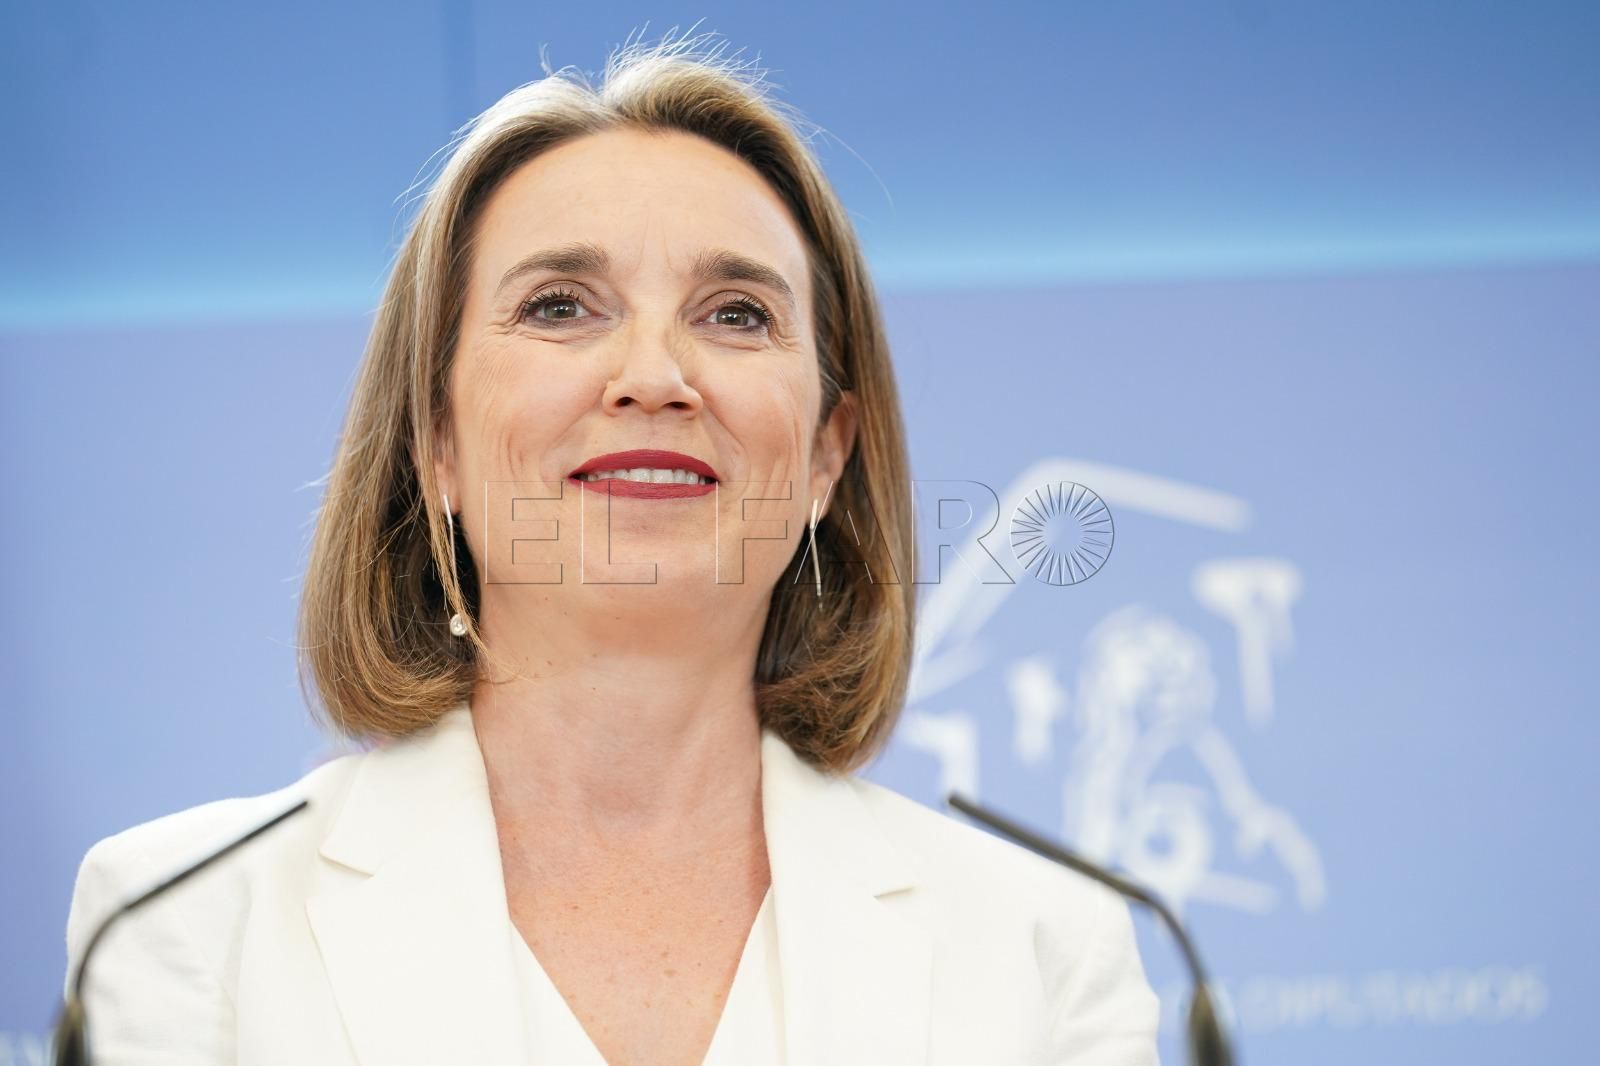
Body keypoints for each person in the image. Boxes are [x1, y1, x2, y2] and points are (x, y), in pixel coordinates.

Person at [62, 31, 1161, 1066]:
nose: (653, 376)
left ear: (827, 456)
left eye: (735, 313)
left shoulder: (1042, 948)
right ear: (435, 438)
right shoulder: (183, 921)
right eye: (559, 306)